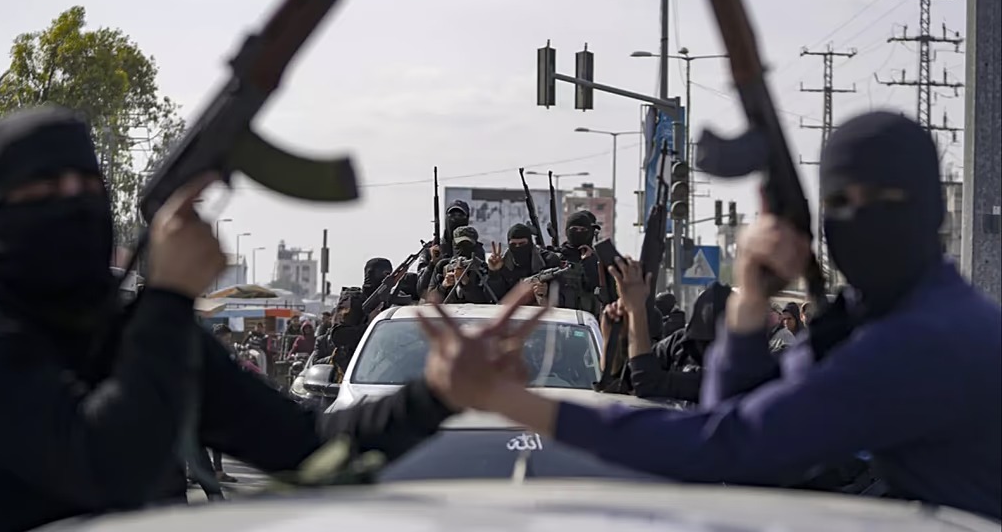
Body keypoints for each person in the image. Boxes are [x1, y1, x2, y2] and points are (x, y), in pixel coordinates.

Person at [420, 112, 1002, 521]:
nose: (857, 219)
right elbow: (736, 414)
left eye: (884, 202)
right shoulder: (872, 317)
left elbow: (725, 445)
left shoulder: (928, 337)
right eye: (840, 202)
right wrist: (749, 301)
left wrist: (512, 402)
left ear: (929, 208)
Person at [0, 107, 459, 531]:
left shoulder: (135, 327)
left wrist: (438, 391)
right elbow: (104, 469)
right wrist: (167, 299)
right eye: (46, 187)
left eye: (86, 185)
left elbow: (308, 444)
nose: (74, 199)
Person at [486, 223, 561, 301]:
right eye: (513, 244)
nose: (518, 247)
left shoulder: (548, 260)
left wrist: (547, 292)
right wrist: (494, 273)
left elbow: (561, 297)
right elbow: (493, 298)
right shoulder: (503, 263)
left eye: (522, 244)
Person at [429, 226, 495, 304]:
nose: (463, 248)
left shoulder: (482, 268)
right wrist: (443, 286)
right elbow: (430, 298)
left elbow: (488, 299)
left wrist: (466, 282)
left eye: (467, 244)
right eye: (459, 245)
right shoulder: (442, 266)